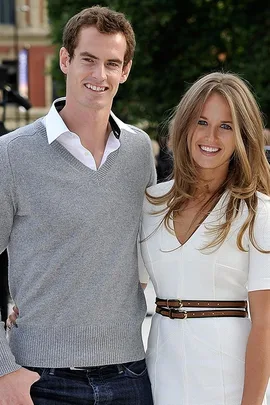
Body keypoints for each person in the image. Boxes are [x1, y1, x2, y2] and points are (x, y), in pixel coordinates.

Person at [0, 6, 155, 405]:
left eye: (111, 63)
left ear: (126, 71)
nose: (99, 75)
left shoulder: (139, 151)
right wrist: (3, 369)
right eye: (88, 59)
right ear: (66, 60)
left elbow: (149, 246)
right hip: (39, 378)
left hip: (129, 373)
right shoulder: (12, 154)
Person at [139, 72, 270, 405]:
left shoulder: (259, 211)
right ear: (184, 127)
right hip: (159, 374)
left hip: (227, 380)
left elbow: (266, 325)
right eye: (201, 121)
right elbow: (123, 291)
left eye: (226, 126)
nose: (211, 136)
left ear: (243, 135)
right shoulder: (151, 203)